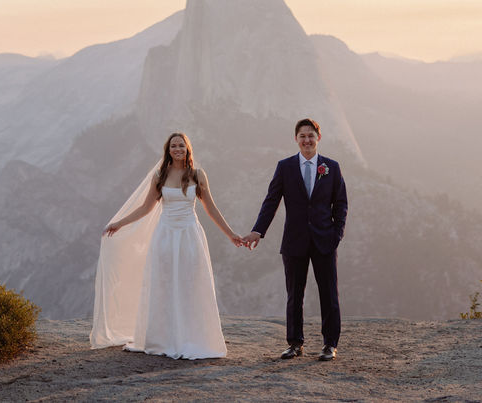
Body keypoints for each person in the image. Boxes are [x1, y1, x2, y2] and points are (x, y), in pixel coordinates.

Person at [90, 132, 242, 359]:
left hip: (190, 235)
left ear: (187, 148)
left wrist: (231, 234)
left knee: (190, 283)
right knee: (163, 283)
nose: (177, 148)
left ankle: (191, 337)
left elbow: (211, 208)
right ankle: (164, 337)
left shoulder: (198, 175)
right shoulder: (159, 175)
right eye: (173, 146)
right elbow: (146, 208)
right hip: (165, 235)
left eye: (181, 145)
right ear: (168, 150)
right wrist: (119, 223)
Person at [242, 118, 347, 361]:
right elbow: (271, 201)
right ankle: (295, 343)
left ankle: (330, 344)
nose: (307, 140)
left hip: (325, 241)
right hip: (294, 241)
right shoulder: (285, 167)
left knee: (329, 294)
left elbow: (340, 203)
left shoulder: (332, 167)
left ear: (318, 138)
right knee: (294, 295)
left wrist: (336, 234)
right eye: (302, 136)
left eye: (311, 135)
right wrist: (258, 230)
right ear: (296, 139)